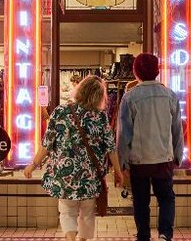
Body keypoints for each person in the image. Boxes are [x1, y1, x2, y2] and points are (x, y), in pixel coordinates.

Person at [25, 75, 123, 241]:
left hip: (65, 175)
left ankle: (71, 238)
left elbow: (47, 144)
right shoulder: (100, 117)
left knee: (66, 210)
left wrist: (33, 164)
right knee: (87, 212)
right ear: (100, 96)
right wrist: (118, 171)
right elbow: (111, 148)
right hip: (90, 176)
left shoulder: (60, 112)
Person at [117, 53, 183, 241]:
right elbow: (177, 129)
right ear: (157, 71)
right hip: (164, 158)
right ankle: (164, 234)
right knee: (166, 198)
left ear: (135, 72)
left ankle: (143, 236)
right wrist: (178, 155)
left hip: (139, 160)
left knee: (140, 201)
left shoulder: (130, 98)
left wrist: (123, 163)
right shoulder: (170, 95)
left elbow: (124, 134)